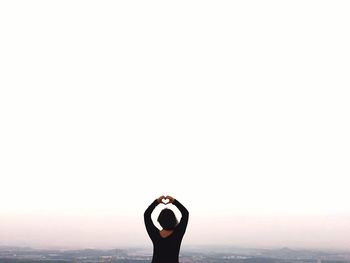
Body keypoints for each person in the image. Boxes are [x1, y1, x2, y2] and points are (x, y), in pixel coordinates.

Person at [144, 195, 189, 263]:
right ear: (174, 220)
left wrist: (157, 202)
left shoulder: (155, 234)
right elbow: (185, 213)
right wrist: (174, 201)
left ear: (159, 220)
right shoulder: (178, 233)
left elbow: (146, 215)